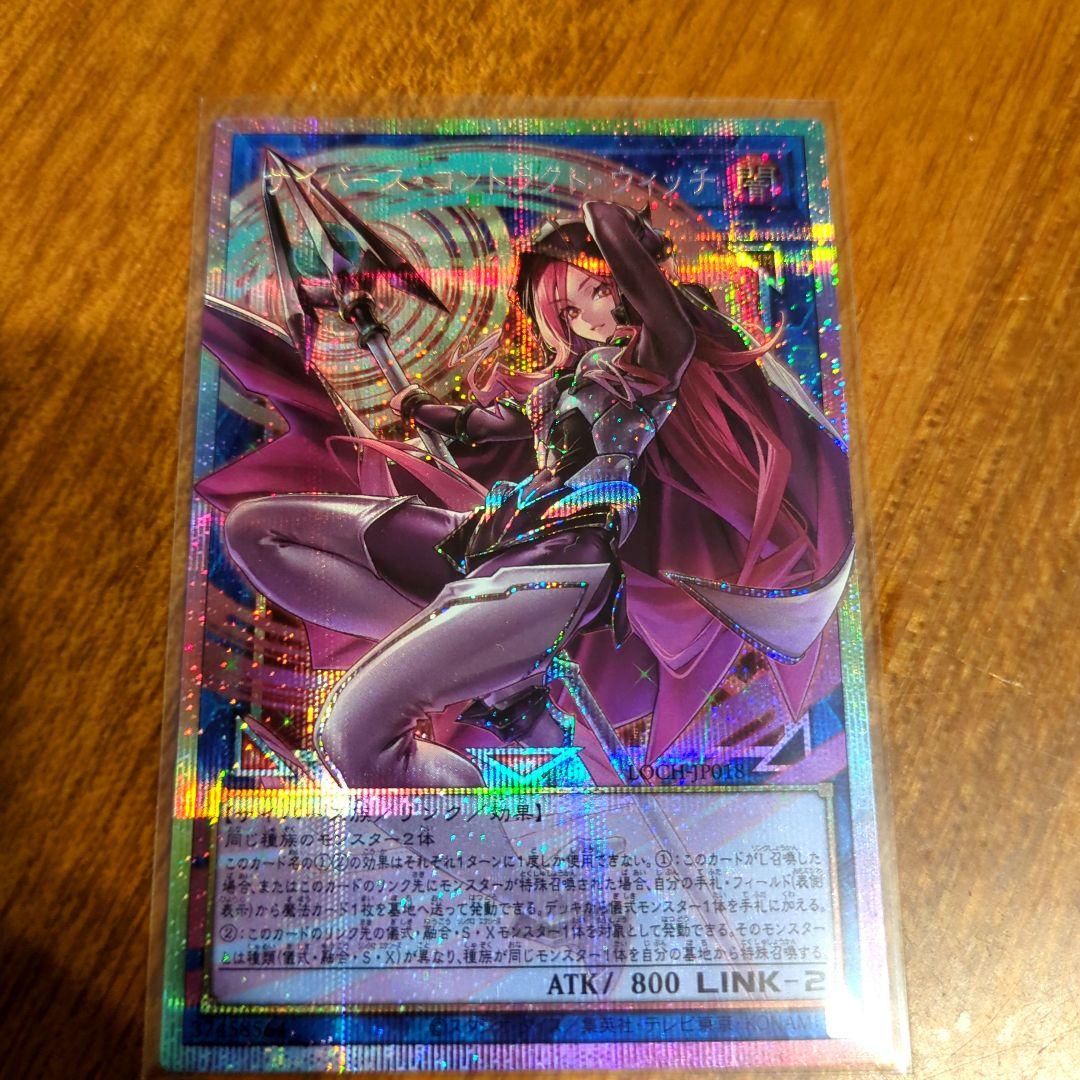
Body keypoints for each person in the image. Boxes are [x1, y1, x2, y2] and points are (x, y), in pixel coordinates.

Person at [201, 199, 854, 789]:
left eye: (599, 290)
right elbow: (492, 427)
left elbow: (642, 279)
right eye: (571, 306)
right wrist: (424, 409)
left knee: (351, 739)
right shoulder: (560, 387)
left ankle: (483, 803)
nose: (586, 314)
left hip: (562, 566)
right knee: (257, 530)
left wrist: (617, 234)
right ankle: (495, 670)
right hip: (492, 539)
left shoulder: (646, 372)